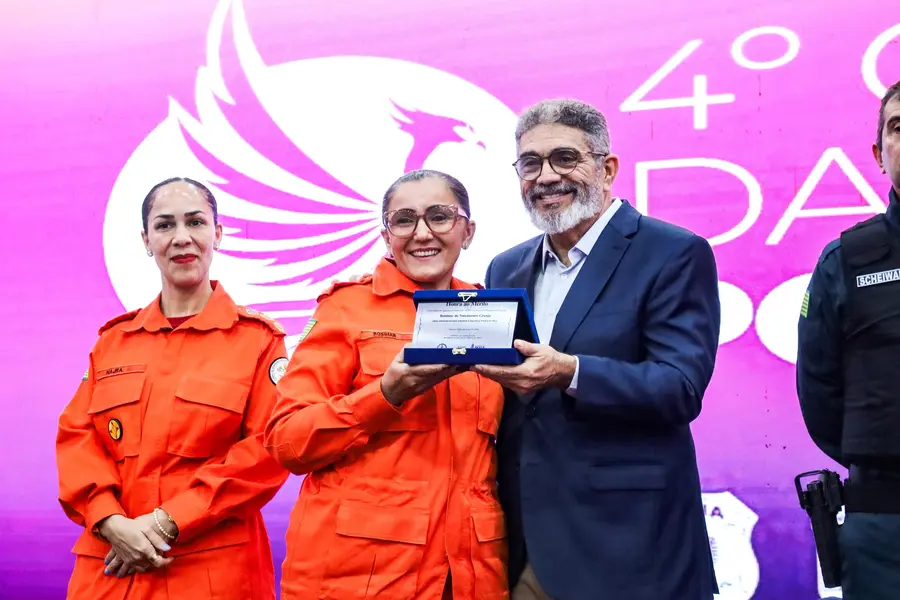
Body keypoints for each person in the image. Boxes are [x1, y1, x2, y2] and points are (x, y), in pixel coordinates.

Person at [471, 99, 721, 600]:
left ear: (606, 169)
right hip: (527, 542)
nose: (545, 177)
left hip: (632, 541)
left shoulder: (672, 251)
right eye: (530, 163)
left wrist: (571, 372)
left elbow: (680, 387)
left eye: (565, 159)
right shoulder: (505, 269)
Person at [265, 169, 509, 600]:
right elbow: (287, 442)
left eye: (440, 216)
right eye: (404, 220)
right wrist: (385, 394)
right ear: (385, 236)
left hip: (471, 576)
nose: (422, 233)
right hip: (361, 579)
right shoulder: (345, 309)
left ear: (468, 231)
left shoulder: (490, 313)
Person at [56, 177, 290, 600]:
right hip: (110, 566)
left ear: (217, 234)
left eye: (195, 222)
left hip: (208, 568)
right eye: (165, 226)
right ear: (147, 240)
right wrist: (109, 520)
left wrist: (168, 521)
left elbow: (266, 451)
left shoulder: (257, 340)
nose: (181, 238)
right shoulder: (114, 341)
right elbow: (78, 438)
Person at [797, 79, 900, 600]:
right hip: (885, 524)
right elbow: (819, 392)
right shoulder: (845, 262)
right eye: (899, 127)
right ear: (879, 155)